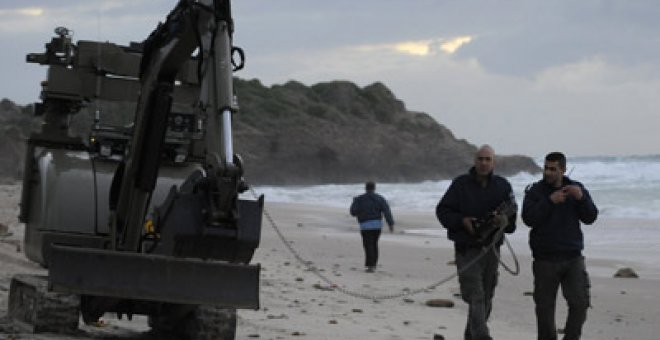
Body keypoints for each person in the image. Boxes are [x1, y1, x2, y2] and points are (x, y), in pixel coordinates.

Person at [436, 145, 517, 340]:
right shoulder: (460, 184)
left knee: (486, 296)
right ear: (474, 161)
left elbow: (512, 223)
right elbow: (443, 211)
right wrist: (462, 221)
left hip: (492, 250)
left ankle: (470, 336)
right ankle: (482, 336)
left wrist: (502, 221)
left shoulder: (503, 186)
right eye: (480, 159)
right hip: (467, 249)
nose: (483, 163)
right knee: (475, 295)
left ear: (493, 162)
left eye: (487, 159)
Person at [522, 152, 598, 340]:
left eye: (553, 169)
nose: (548, 172)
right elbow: (528, 219)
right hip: (545, 259)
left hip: (573, 257)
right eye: (546, 168)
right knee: (545, 309)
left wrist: (581, 199)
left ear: (563, 170)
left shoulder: (576, 188)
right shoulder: (535, 191)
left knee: (580, 303)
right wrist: (550, 202)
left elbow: (591, 217)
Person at [350, 181, 394, 273]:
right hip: (377, 225)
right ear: (374, 188)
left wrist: (354, 203)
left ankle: (370, 266)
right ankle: (373, 264)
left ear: (365, 188)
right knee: (374, 244)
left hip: (365, 225)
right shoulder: (380, 198)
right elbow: (387, 211)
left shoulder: (359, 199)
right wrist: (390, 224)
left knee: (368, 245)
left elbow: (353, 212)